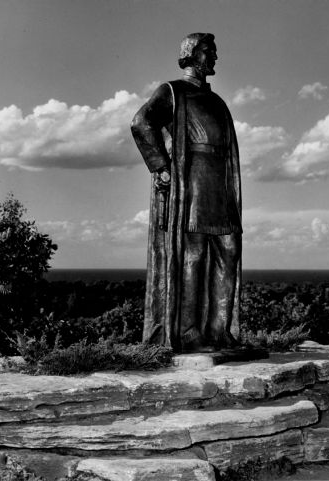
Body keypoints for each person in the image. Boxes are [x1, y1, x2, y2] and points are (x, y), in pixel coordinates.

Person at [131, 33, 242, 352]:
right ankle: (190, 333)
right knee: (192, 256)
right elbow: (141, 122)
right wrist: (160, 166)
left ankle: (219, 332)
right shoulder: (172, 91)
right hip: (190, 187)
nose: (215, 57)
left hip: (220, 187)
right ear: (192, 54)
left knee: (228, 250)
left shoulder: (217, 101)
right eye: (210, 51)